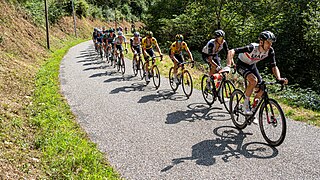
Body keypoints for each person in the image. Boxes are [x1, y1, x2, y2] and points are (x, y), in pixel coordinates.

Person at [226, 30, 288, 115]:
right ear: (261, 42)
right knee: (253, 81)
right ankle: (245, 105)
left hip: (252, 66)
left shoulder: (270, 51)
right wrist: (228, 66)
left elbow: (274, 66)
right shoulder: (252, 47)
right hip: (241, 65)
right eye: (268, 42)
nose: (270, 45)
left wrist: (279, 78)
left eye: (271, 43)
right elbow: (231, 51)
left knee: (262, 88)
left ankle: (253, 109)